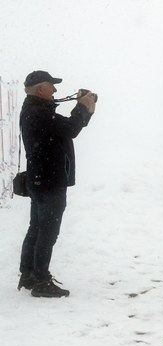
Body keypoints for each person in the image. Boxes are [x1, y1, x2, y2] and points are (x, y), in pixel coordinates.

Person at [17, 70, 96, 297]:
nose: (55, 90)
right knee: (47, 232)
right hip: (50, 181)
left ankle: (29, 274)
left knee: (37, 228)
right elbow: (70, 128)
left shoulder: (34, 111)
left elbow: (68, 128)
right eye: (51, 86)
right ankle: (41, 281)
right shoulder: (38, 113)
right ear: (40, 89)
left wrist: (85, 109)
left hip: (41, 179)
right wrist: (82, 107)